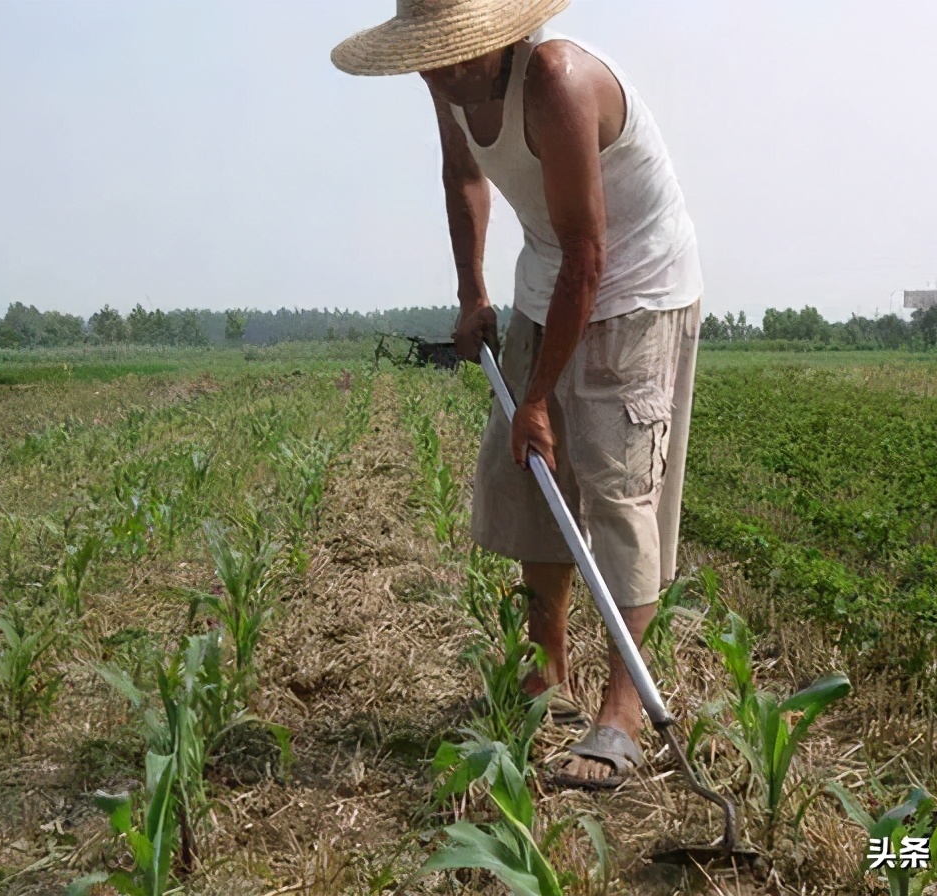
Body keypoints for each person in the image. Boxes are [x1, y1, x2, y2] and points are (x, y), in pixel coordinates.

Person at [332, 0, 702, 789]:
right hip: (548, 277)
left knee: (614, 490)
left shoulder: (559, 85)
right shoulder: (447, 80)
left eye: (455, 52)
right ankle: (546, 674)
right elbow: (464, 174)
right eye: (429, 54)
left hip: (633, 286)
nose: (441, 69)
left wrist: (538, 397)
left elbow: (590, 253)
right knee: (533, 481)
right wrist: (473, 291)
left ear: (500, 39)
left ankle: (622, 714)